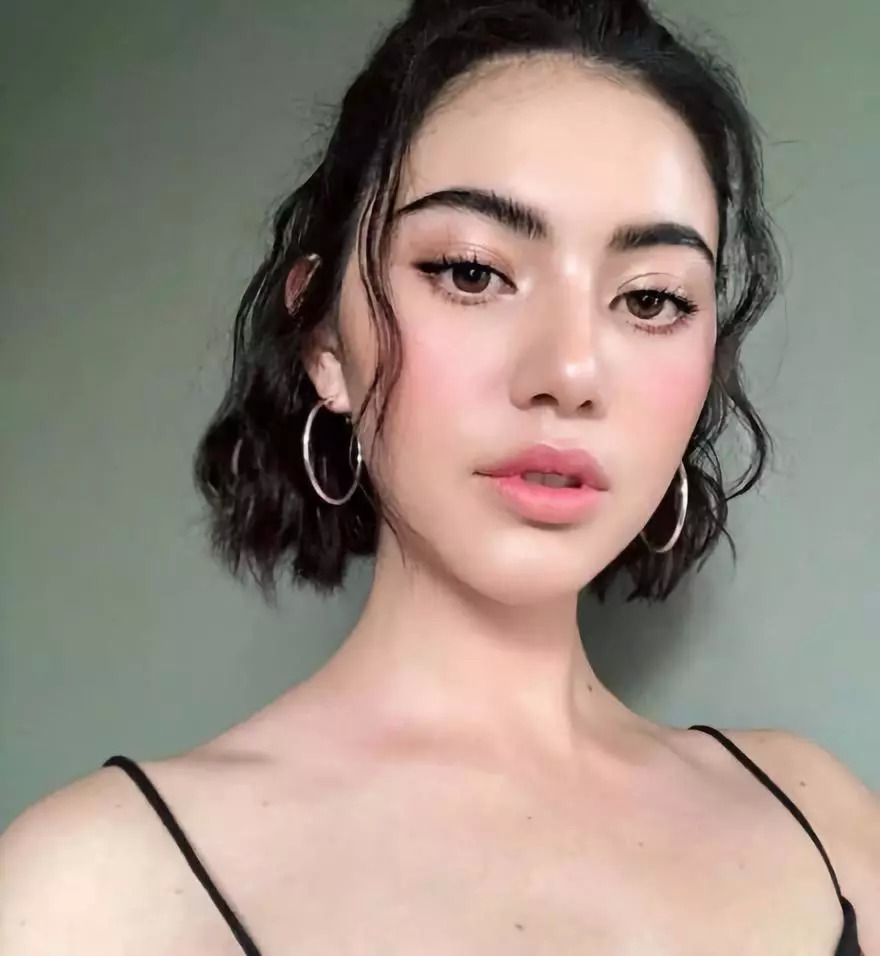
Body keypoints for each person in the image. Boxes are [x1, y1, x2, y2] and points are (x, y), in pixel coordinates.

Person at [1, 0, 877, 952]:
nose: (570, 372)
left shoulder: (822, 826)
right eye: (470, 272)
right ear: (325, 338)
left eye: (652, 299)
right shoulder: (96, 890)